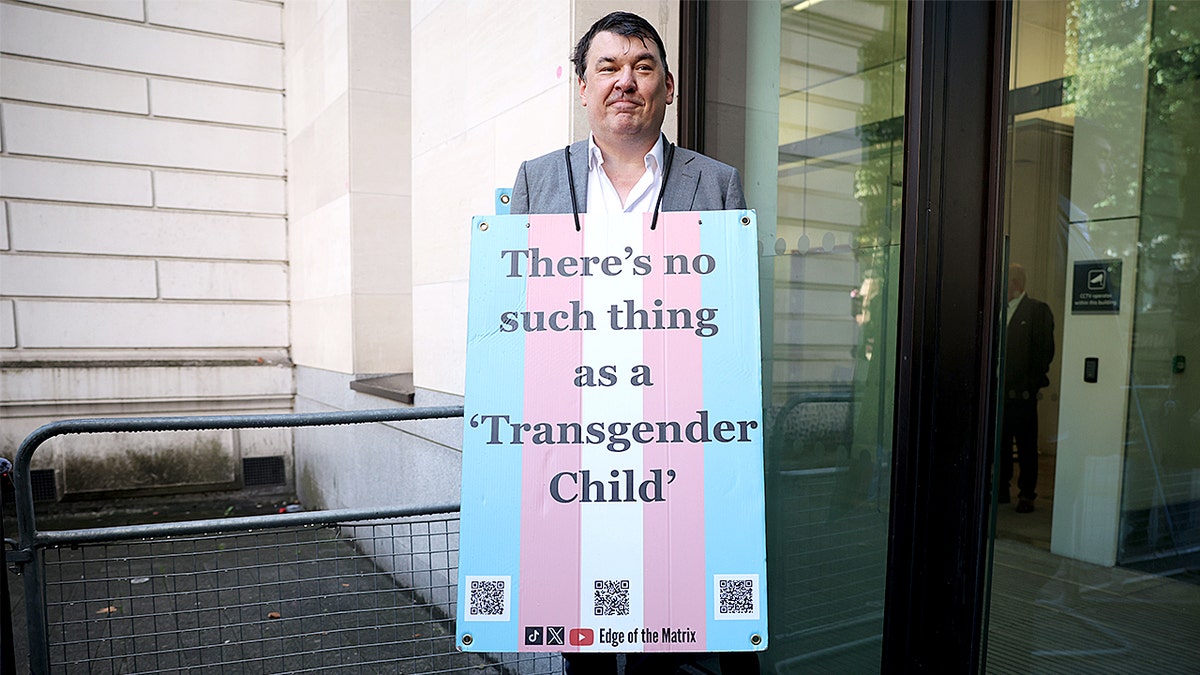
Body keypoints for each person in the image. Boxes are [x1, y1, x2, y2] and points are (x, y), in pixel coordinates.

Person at [508, 11, 756, 675]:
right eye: (608, 68)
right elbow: (513, 322)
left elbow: (729, 323)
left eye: (642, 67)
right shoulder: (536, 181)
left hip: (673, 453)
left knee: (660, 640)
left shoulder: (717, 182)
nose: (626, 82)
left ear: (668, 87)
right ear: (582, 87)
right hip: (574, 454)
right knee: (582, 642)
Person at [1001, 264, 1055, 513]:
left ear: (1016, 283)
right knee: (1000, 443)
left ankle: (1026, 494)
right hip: (1000, 392)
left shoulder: (1037, 311)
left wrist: (1031, 383)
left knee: (1025, 445)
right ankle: (1000, 487)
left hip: (1022, 393)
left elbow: (1044, 351)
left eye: (1006, 282)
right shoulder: (998, 310)